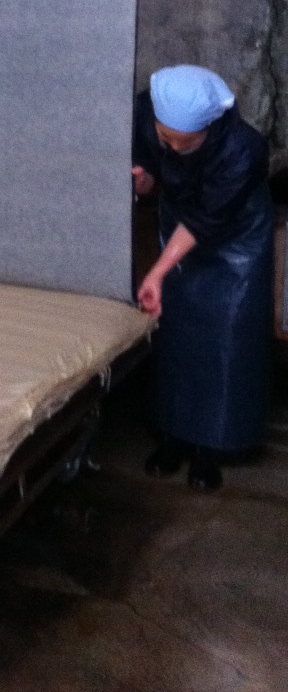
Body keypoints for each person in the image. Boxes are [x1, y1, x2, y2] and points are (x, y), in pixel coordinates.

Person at [132, 64, 272, 493]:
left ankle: (210, 447)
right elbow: (150, 171)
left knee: (225, 340)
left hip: (235, 239)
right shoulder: (146, 112)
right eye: (167, 138)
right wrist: (143, 179)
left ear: (209, 128)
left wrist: (157, 270)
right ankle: (172, 437)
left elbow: (205, 220)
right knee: (176, 334)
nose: (174, 148)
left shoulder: (243, 150)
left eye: (186, 142)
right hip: (179, 218)